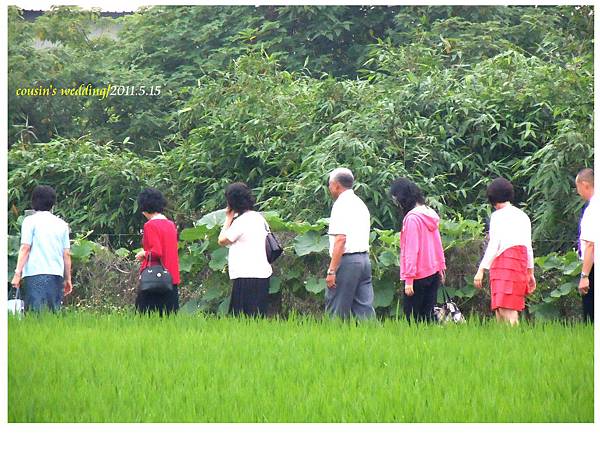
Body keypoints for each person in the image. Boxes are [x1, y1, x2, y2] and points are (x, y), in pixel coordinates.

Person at [474, 177, 536, 325]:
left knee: (506, 307)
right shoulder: (523, 216)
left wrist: (481, 269)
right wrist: (530, 272)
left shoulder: (497, 216)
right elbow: (528, 246)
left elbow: (494, 244)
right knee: (502, 306)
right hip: (520, 261)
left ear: (492, 198)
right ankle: (506, 344)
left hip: (504, 260)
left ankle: (516, 344)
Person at [390, 178, 446, 323]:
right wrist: (441, 268)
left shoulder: (412, 219)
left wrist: (409, 280)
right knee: (428, 316)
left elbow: (411, 250)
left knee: (413, 320)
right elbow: (437, 244)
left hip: (417, 276)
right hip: (433, 272)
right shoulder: (429, 213)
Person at [10, 185, 72, 312]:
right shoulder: (62, 224)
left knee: (35, 314)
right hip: (56, 275)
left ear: (34, 201)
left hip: (35, 274)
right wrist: (68, 279)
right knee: (53, 314)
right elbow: (66, 254)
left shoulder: (30, 221)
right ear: (53, 203)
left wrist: (17, 273)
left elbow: (25, 248)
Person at [324, 168, 375, 320]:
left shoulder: (341, 205)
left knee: (336, 309)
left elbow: (340, 239)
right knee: (364, 310)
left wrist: (332, 271)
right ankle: (373, 340)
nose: (329, 188)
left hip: (348, 261)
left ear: (336, 185)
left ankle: (333, 341)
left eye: (330, 185)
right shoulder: (360, 204)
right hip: (364, 260)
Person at [218, 182, 272, 317]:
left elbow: (222, 240)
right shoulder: (259, 218)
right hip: (262, 275)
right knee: (258, 317)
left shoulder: (241, 221)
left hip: (246, 275)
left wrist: (228, 218)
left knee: (242, 318)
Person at [135, 188, 180, 316]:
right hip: (171, 277)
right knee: (169, 318)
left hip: (154, 278)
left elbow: (156, 252)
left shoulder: (150, 226)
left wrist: (143, 254)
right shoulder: (170, 224)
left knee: (145, 316)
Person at [575, 168, 595, 323]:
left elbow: (590, 244)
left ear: (585, 185)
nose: (578, 192)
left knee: (591, 315)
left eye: (578, 188)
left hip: (593, 267)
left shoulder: (592, 209)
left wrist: (584, 276)